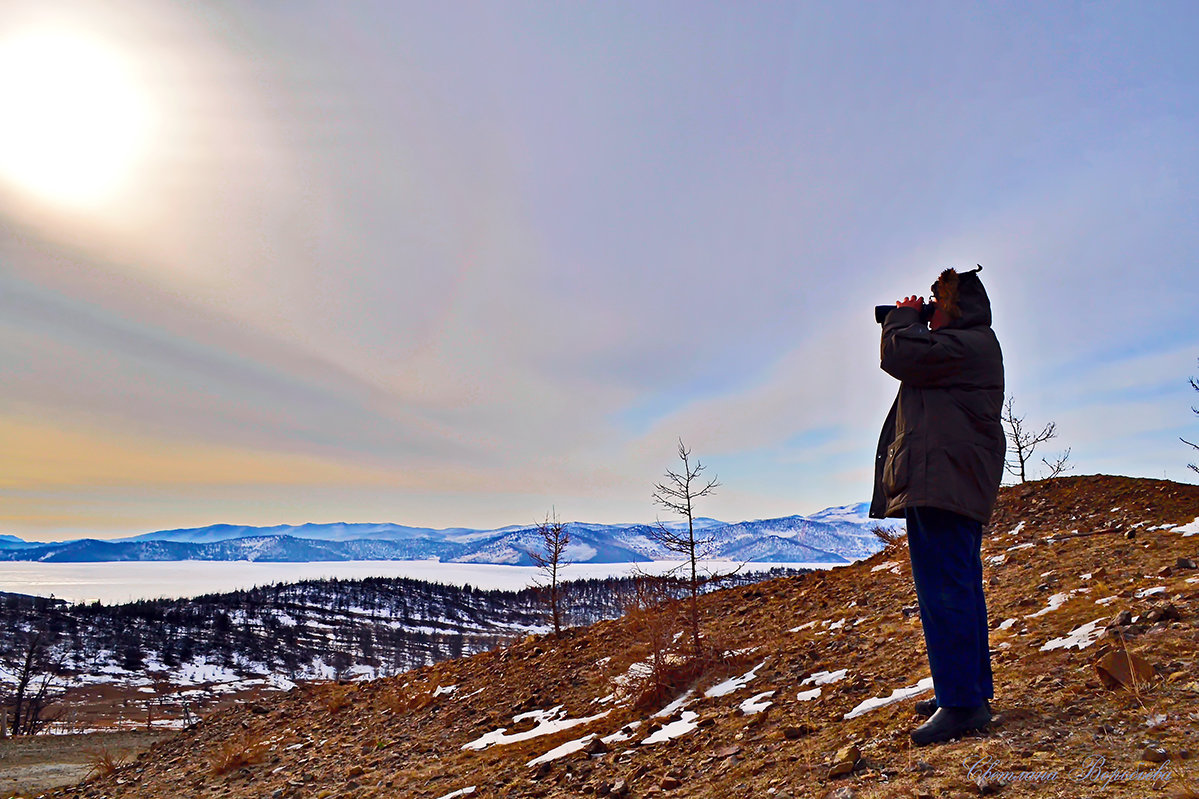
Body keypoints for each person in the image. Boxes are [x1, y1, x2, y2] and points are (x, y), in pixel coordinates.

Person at [870, 266, 1005, 746]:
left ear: (955, 309)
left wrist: (904, 318)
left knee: (946, 592)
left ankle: (964, 704)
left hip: (945, 483)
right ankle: (964, 691)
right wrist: (911, 318)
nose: (933, 311)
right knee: (954, 590)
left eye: (938, 304)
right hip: (947, 482)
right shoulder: (961, 349)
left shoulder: (968, 346)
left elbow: (901, 354)